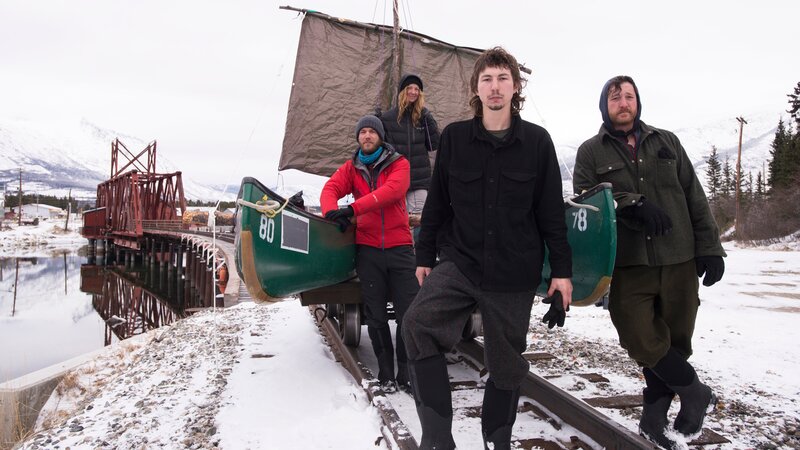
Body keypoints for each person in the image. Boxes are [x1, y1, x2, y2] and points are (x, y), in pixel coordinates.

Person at [402, 47, 573, 449]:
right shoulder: (456, 139)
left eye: (502, 79)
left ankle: (497, 443)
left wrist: (562, 272)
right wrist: (425, 256)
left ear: (516, 87)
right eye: (486, 80)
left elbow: (551, 213)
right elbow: (439, 204)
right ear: (475, 89)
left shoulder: (537, 142)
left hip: (513, 271)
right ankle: (438, 439)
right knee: (416, 325)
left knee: (506, 365)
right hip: (461, 262)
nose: (494, 88)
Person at [573, 75, 726, 449]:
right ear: (604, 105)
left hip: (679, 257)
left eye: (629, 96)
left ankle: (652, 419)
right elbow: (583, 196)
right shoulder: (591, 151)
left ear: (638, 103)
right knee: (641, 338)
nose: (623, 102)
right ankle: (695, 392)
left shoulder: (667, 141)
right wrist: (632, 203)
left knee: (676, 343)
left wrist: (711, 247)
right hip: (627, 264)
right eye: (615, 97)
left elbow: (694, 194)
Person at [320, 115, 419, 393]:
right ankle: (386, 373)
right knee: (375, 316)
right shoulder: (351, 168)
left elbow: (391, 192)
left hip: (400, 248)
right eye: (362, 132)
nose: (366, 136)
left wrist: (352, 209)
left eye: (371, 132)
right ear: (358, 138)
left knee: (407, 314)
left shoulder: (399, 164)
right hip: (369, 250)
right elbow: (330, 189)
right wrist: (331, 212)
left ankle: (407, 374)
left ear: (380, 136)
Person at [380, 74, 440, 220]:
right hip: (395, 180)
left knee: (419, 221)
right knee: (397, 220)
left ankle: (417, 244)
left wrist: (429, 120)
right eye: (410, 88)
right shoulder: (387, 117)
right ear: (402, 91)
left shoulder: (422, 116)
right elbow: (379, 147)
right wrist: (374, 122)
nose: (413, 92)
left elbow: (434, 145)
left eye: (417, 89)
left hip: (419, 180)